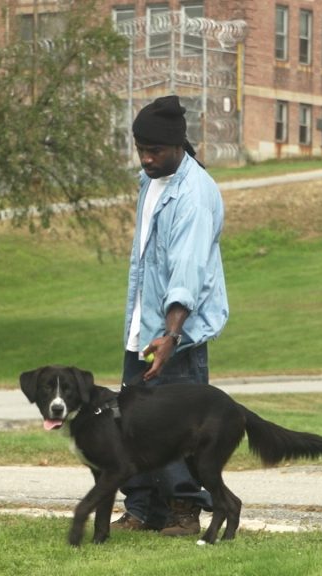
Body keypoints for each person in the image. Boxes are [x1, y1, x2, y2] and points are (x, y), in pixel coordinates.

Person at [112, 95, 229, 537]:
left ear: (178, 146)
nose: (146, 158)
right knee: (132, 422)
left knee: (179, 429)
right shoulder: (152, 181)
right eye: (140, 148)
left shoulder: (195, 195)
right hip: (143, 330)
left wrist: (172, 335)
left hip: (177, 336)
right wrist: (143, 329)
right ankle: (142, 510)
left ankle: (184, 511)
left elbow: (188, 271)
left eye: (155, 150)